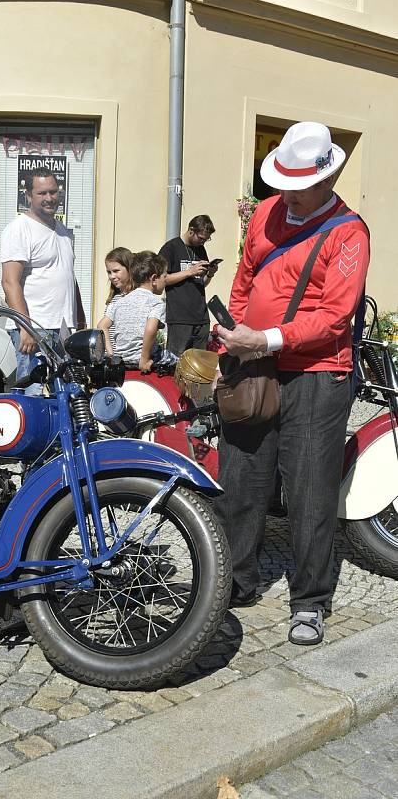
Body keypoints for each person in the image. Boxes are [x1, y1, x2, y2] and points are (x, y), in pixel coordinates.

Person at [213, 121, 370, 645]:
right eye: (283, 180)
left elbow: (334, 319)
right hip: (252, 365)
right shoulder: (264, 212)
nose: (287, 192)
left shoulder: (348, 233)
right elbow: (244, 281)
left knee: (308, 488)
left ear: (327, 179)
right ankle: (237, 580)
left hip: (317, 373)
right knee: (241, 477)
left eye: (297, 183)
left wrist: (265, 340)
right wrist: (234, 338)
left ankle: (309, 599)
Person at [1, 167, 86, 381]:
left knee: (60, 393)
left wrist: (81, 319)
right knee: (34, 392)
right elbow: (9, 282)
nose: (49, 198)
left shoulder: (62, 230)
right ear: (28, 195)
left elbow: (68, 276)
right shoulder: (20, 229)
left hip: (62, 327)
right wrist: (26, 328)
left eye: (53, 191)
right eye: (42, 193)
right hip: (35, 328)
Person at [159, 214, 219, 356]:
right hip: (180, 317)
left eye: (206, 239)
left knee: (199, 362)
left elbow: (201, 283)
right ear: (191, 230)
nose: (203, 242)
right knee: (175, 361)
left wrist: (210, 274)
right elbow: (162, 279)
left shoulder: (201, 250)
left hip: (201, 317)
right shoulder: (170, 248)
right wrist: (189, 272)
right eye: (201, 238)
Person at [98, 251, 167, 372]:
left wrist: (112, 356)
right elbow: (151, 329)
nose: (166, 281)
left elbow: (101, 325)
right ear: (154, 278)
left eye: (115, 271)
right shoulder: (155, 303)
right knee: (179, 361)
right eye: (164, 277)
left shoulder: (119, 302)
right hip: (141, 359)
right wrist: (144, 359)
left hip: (121, 359)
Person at [97, 247, 134, 351]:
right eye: (109, 272)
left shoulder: (134, 297)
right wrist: (110, 353)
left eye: (116, 271)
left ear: (130, 268)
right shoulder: (117, 298)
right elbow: (103, 326)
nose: (112, 276)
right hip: (116, 357)